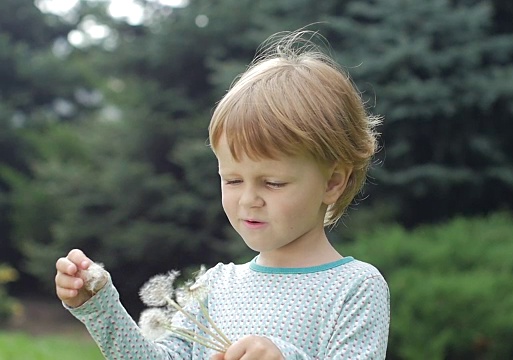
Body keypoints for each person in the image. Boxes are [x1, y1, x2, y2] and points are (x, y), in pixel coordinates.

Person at [55, 30, 390, 360]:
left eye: (272, 182)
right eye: (232, 180)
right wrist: (99, 308)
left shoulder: (354, 288)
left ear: (332, 183)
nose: (248, 199)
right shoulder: (213, 287)